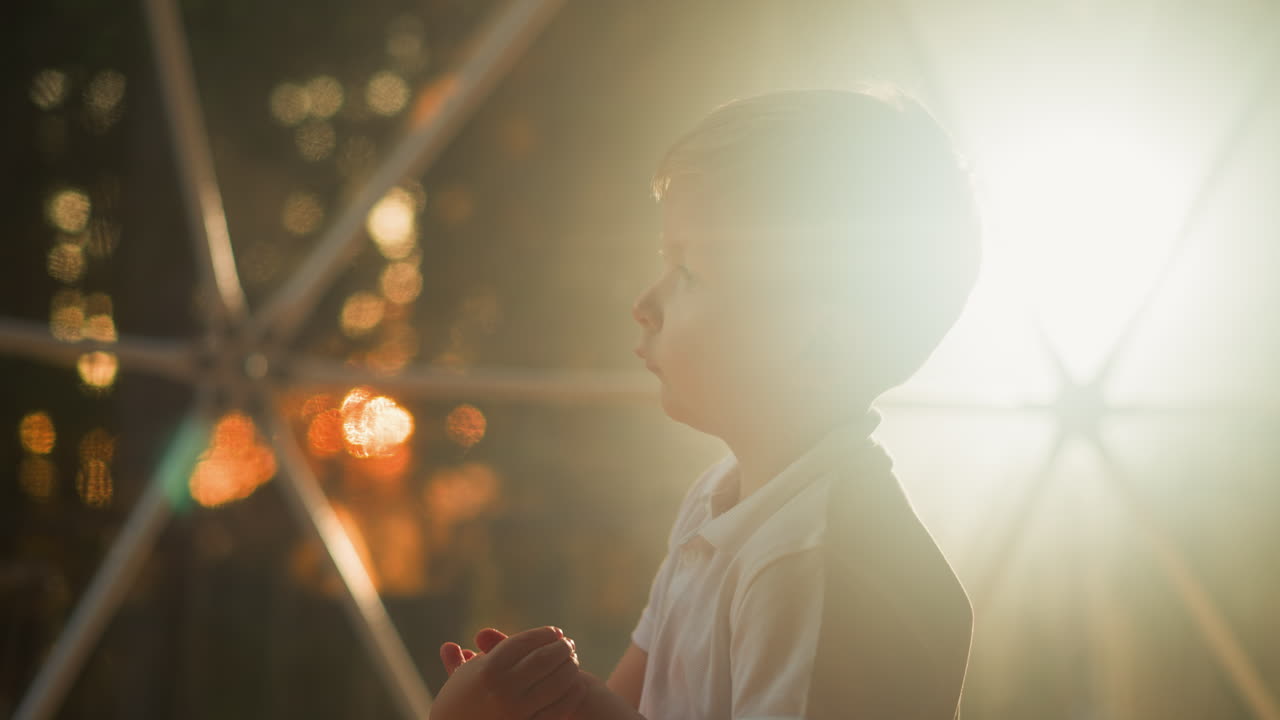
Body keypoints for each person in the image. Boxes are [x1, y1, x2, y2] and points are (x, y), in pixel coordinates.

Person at [431, 86, 982, 720]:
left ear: (813, 335)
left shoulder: (810, 564)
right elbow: (629, 707)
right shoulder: (720, 502)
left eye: (687, 270)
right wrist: (550, 704)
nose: (645, 301)